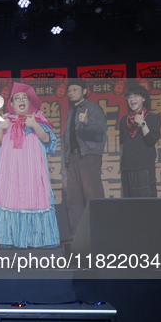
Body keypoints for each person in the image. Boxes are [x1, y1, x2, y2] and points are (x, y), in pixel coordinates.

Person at [0, 82, 59, 248]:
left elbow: (47, 139)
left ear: (29, 103)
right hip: (10, 172)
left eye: (24, 98)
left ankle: (38, 239)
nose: (21, 100)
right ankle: (9, 239)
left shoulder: (39, 120)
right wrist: (0, 129)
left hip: (32, 170)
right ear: (12, 104)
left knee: (34, 198)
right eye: (17, 98)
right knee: (9, 198)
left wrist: (34, 125)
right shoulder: (5, 122)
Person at [63, 78, 107, 236]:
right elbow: (68, 139)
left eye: (75, 89)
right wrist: (67, 161)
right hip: (74, 158)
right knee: (73, 199)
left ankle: (99, 234)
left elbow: (100, 130)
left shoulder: (92, 108)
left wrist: (87, 122)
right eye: (69, 91)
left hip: (88, 155)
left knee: (92, 195)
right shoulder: (72, 112)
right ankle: (78, 237)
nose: (71, 93)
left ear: (84, 91)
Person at [119, 85, 161, 197]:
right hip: (127, 168)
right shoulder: (124, 120)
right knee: (128, 207)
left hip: (144, 167)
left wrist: (142, 123)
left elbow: (151, 140)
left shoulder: (153, 117)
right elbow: (123, 143)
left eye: (136, 96)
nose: (132, 100)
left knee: (145, 205)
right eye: (129, 97)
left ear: (144, 98)